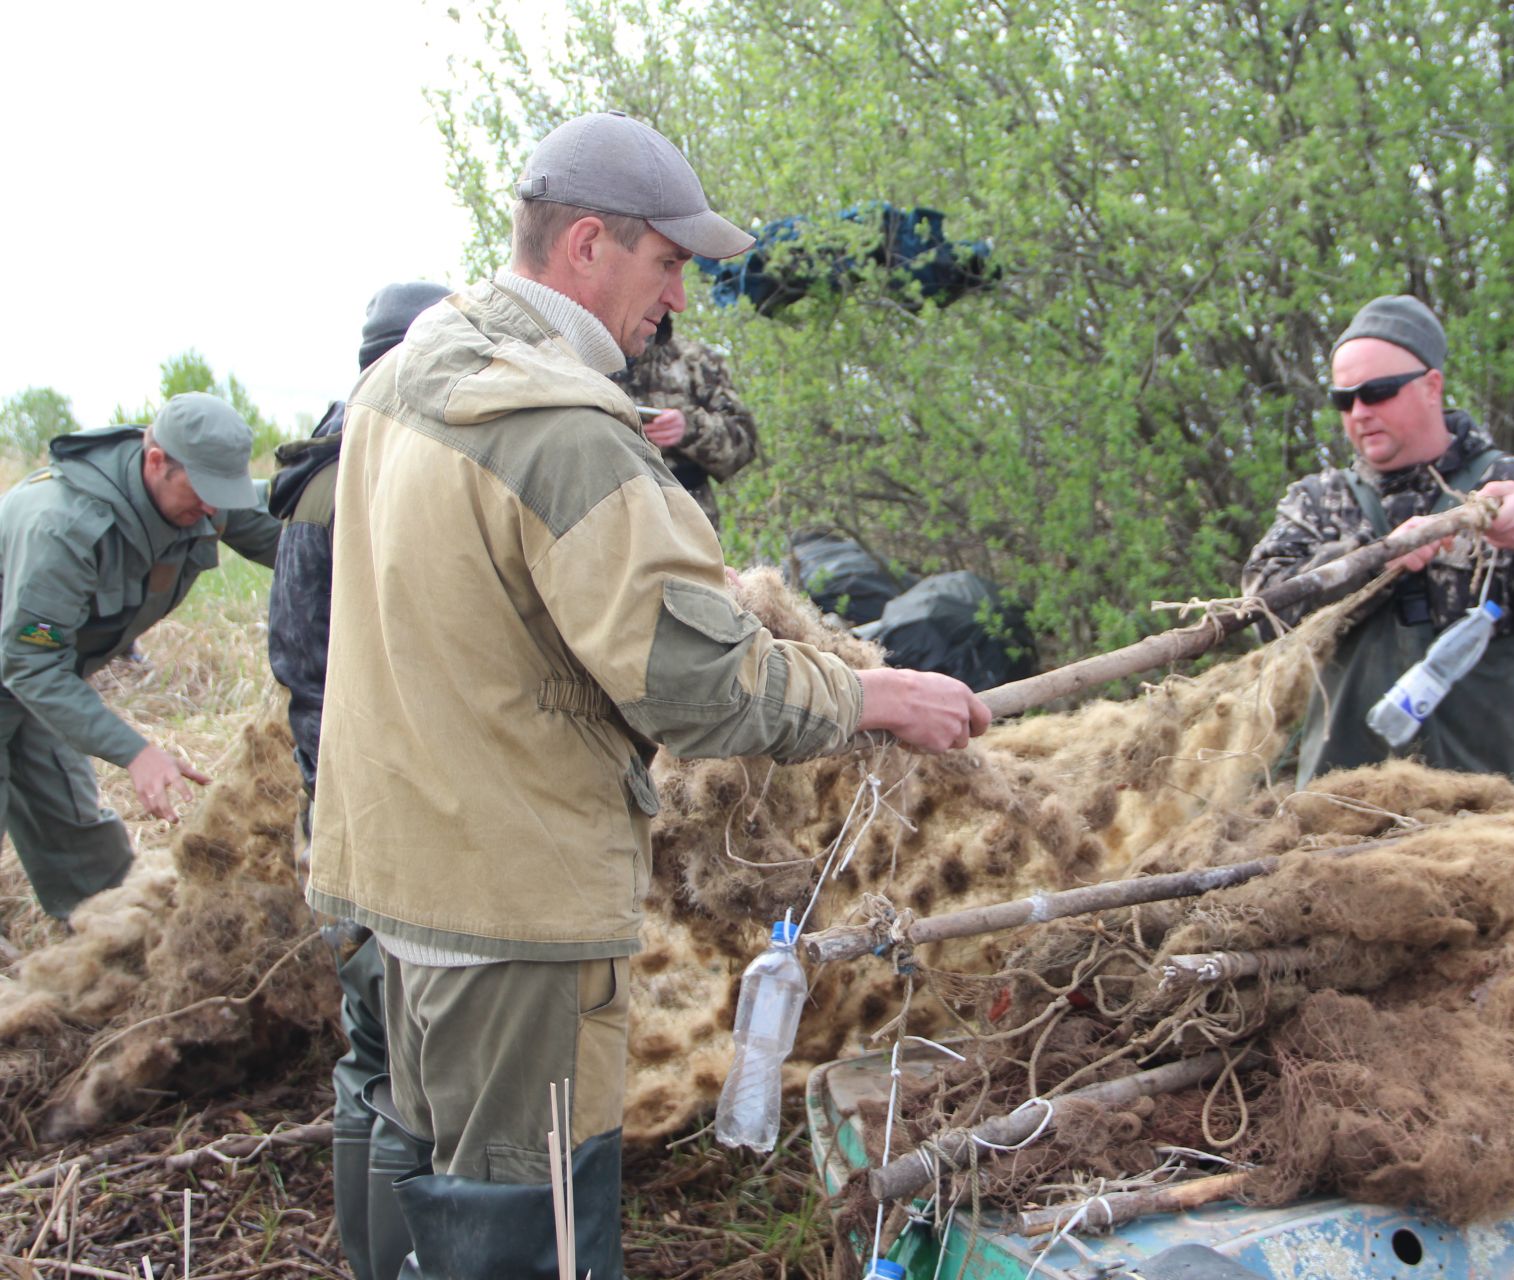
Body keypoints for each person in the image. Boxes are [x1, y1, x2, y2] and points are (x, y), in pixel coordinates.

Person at [302, 111, 989, 1280]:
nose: (677, 298)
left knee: (418, 1168)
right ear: (584, 247)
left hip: (391, 878)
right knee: (533, 1225)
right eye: (667, 262)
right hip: (512, 913)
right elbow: (699, 683)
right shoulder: (564, 433)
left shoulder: (409, 373)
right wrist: (870, 694)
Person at [1242, 295, 1514, 789]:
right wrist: (1374, 559)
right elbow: (1261, 611)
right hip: (1340, 812)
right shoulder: (1317, 502)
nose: (1360, 411)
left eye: (1378, 392)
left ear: (1432, 387)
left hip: (1488, 815)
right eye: (1344, 399)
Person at [266, 281, 450, 1280]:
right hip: (379, 811)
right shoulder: (370, 464)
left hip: (341, 804)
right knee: (400, 1069)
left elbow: (293, 659)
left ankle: (373, 1257)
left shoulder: (323, 459)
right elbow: (326, 667)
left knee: (370, 1060)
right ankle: (396, 1261)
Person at [0, 393, 279, 920]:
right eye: (204, 492)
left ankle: (104, 948)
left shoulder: (202, 496)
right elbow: (29, 665)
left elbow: (299, 539)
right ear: (156, 462)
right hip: (27, 666)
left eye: (225, 493)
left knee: (81, 838)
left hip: (43, 677)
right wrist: (136, 752)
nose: (215, 509)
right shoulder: (62, 526)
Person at [611, 313, 757, 531]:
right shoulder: (580, 361)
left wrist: (690, 427)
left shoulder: (695, 361)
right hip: (610, 517)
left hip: (686, 523)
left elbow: (744, 444)